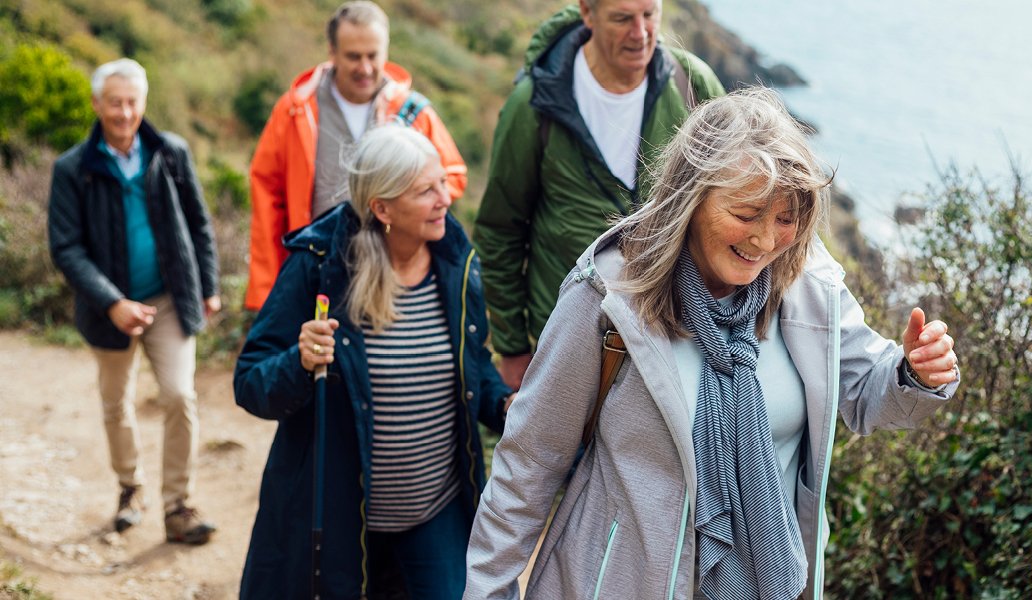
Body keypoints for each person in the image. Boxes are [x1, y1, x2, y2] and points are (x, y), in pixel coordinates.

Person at [463, 88, 961, 600]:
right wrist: (488, 590)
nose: (766, 241)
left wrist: (915, 373)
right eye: (746, 214)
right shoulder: (609, 295)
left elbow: (867, 394)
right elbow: (529, 463)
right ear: (691, 199)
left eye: (786, 219)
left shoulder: (809, 288)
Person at [235, 124, 511, 599]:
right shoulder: (318, 267)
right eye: (426, 190)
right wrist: (298, 362)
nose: (445, 198)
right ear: (382, 208)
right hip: (340, 516)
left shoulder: (455, 262)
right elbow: (250, 382)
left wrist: (505, 406)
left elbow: (472, 368)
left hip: (436, 510)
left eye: (442, 182)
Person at [473, 0, 725, 391]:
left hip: (669, 342)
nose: (640, 33)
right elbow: (499, 230)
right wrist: (512, 349)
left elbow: (728, 202)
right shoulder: (534, 103)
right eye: (623, 18)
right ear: (587, 13)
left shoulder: (692, 84)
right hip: (565, 344)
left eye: (649, 14)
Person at [47, 58, 219, 544]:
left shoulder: (171, 152)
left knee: (180, 396)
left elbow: (199, 223)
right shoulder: (72, 169)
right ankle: (130, 489)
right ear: (97, 104)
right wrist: (111, 302)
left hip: (169, 299)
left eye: (132, 102)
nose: (124, 113)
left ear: (144, 103)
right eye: (115, 103)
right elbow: (66, 247)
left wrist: (206, 285)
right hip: (110, 310)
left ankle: (178, 506)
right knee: (115, 403)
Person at [245, 0, 468, 311]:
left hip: (396, 275)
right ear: (332, 52)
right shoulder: (295, 109)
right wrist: (265, 288)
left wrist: (404, 203)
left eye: (372, 56)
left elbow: (453, 174)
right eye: (353, 56)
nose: (364, 68)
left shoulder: (414, 112)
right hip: (317, 270)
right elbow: (266, 196)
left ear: (386, 51)